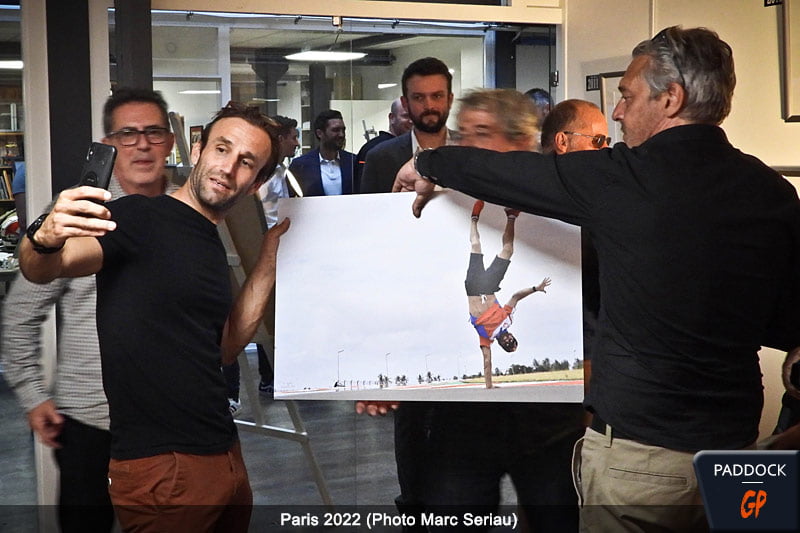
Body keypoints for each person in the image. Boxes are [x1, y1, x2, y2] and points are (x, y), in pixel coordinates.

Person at [396, 26, 800, 532]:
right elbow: (787, 323)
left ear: (671, 98)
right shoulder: (773, 192)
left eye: (627, 96)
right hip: (741, 450)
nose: (618, 112)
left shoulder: (623, 178)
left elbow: (511, 175)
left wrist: (428, 159)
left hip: (642, 460)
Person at [18, 102, 290, 532]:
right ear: (198, 150)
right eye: (222, 149)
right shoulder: (139, 216)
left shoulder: (207, 240)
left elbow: (223, 348)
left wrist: (269, 259)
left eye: (246, 162)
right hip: (165, 468)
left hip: (224, 454)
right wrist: (45, 238)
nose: (227, 167)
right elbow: (43, 267)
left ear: (255, 183)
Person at [0, 87, 178, 533]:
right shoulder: (76, 215)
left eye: (154, 132)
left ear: (171, 141)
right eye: (128, 134)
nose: (142, 144)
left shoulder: (189, 213)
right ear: (108, 144)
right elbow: (19, 313)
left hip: (172, 424)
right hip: (91, 423)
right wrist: (32, 394)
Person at [540, 99, 611, 395]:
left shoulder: (603, 196)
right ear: (562, 141)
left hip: (596, 349)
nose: (605, 150)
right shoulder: (529, 195)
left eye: (607, 142)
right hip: (564, 351)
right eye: (597, 140)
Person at [465, 200, 551, 389]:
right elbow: (515, 297)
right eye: (512, 340)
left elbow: (487, 361)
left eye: (507, 344)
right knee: (509, 250)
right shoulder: (507, 319)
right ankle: (511, 215)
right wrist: (535, 289)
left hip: (473, 288)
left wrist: (489, 386)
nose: (508, 340)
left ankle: (474, 219)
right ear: (512, 335)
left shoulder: (486, 337)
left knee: (476, 245)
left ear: (502, 345)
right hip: (489, 286)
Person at [359, 57, 455, 194]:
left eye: (437, 96)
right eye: (418, 98)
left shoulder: (470, 148)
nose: (429, 106)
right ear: (405, 103)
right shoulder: (380, 158)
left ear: (450, 100)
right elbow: (370, 207)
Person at [289, 109, 356, 196]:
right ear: (319, 133)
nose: (341, 134)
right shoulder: (301, 165)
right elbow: (290, 198)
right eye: (335, 130)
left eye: (343, 130)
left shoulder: (353, 162)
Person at [354, 97, 412, 187]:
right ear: (392, 118)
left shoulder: (415, 146)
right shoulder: (372, 149)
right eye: (406, 116)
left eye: (413, 116)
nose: (411, 121)